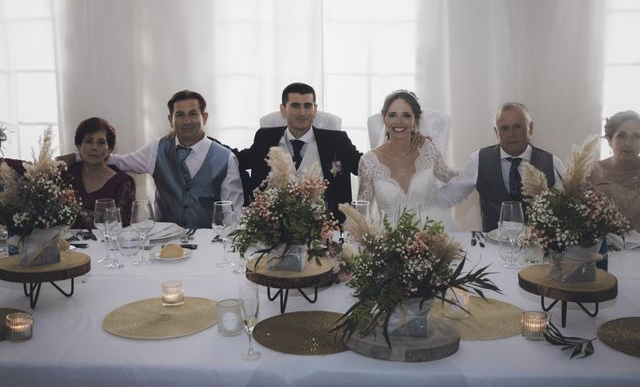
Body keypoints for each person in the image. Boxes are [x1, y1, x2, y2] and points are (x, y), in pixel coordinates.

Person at [62, 90, 244, 229]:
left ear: (204, 117)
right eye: (180, 115)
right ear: (170, 120)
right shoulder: (157, 148)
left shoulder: (226, 158)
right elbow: (120, 161)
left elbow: (233, 215)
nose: (186, 121)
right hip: (164, 242)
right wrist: (78, 156)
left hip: (209, 243)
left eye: (193, 114)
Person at [235, 82, 361, 222]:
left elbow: (363, 165)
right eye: (295, 106)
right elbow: (236, 159)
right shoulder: (265, 138)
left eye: (307, 106)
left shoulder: (337, 141)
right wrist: (206, 140)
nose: (302, 113)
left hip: (327, 230)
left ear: (315, 109)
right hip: (273, 229)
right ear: (283, 109)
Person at [436, 102, 565, 232]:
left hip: (539, 248)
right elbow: (452, 195)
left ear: (530, 128)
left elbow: (567, 210)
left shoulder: (553, 163)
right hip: (491, 247)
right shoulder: (478, 160)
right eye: (504, 128)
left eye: (517, 127)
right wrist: (420, 205)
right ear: (496, 132)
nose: (511, 134)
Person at [358, 90, 457, 227]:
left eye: (406, 115)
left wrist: (478, 167)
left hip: (430, 233)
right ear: (384, 119)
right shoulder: (368, 162)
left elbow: (451, 177)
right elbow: (362, 211)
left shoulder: (427, 148)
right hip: (388, 239)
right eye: (392, 115)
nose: (399, 122)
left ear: (414, 119)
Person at [64, 117, 136, 229]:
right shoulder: (68, 174)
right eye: (89, 141)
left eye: (101, 142)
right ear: (79, 146)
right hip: (70, 245)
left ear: (110, 149)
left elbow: (124, 227)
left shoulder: (123, 182)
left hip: (108, 244)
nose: (94, 148)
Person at [588, 110, 640, 233]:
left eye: (637, 137)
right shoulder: (590, 172)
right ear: (609, 140)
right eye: (621, 136)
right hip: (599, 248)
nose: (629, 143)